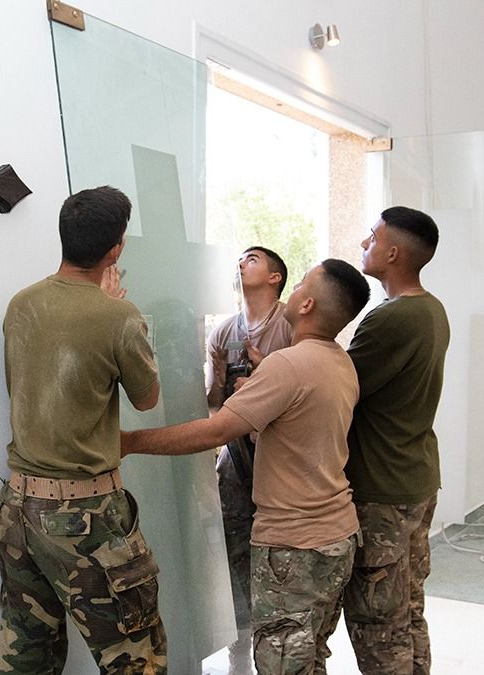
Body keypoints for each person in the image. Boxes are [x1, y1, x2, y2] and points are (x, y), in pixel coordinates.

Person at [123, 259, 371, 674]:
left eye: (301, 284)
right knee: (308, 657)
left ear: (307, 305)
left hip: (294, 546)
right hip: (337, 535)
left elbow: (213, 431)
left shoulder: (287, 365)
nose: (293, 290)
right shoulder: (339, 362)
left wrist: (129, 441)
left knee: (280, 662)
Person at [0, 186, 166, 673]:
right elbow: (147, 399)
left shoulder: (21, 304)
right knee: (137, 657)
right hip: (85, 516)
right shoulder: (119, 316)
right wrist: (109, 308)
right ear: (116, 249)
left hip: (18, 509)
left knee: (28, 655)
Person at [341, 206, 449, 675]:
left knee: (378, 623)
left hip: (383, 487)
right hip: (415, 476)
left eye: (371, 237)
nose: (364, 244)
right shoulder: (431, 308)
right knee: (406, 611)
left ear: (392, 252)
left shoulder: (392, 317)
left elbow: (340, 387)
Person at [204, 246, 293, 674]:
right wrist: (219, 378)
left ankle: (274, 651)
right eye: (238, 257)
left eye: (253, 258)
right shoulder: (224, 332)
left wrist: (264, 376)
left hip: (280, 463)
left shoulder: (291, 327)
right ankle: (238, 653)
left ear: (275, 277)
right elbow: (213, 404)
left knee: (279, 564)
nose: (241, 262)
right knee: (235, 558)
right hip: (235, 464)